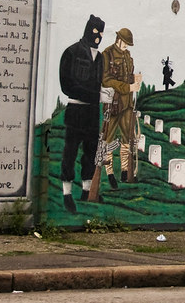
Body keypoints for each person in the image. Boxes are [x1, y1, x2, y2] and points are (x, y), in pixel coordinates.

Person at [58, 15, 105, 213]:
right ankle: (66, 192)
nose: (98, 37)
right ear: (88, 30)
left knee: (91, 151)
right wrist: (95, 95)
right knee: (70, 151)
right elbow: (67, 85)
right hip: (77, 109)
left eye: (101, 33)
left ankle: (87, 190)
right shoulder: (72, 52)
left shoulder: (100, 57)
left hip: (92, 112)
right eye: (95, 32)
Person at [98, 28, 143, 188]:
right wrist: (127, 87)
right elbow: (106, 80)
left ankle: (125, 171)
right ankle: (109, 173)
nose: (126, 46)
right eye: (125, 43)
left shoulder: (127, 56)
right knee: (108, 140)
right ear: (119, 40)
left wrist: (134, 80)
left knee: (127, 139)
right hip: (113, 104)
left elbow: (127, 76)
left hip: (127, 104)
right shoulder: (107, 54)